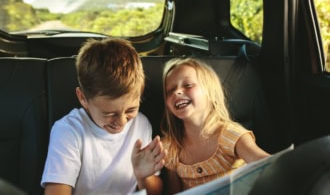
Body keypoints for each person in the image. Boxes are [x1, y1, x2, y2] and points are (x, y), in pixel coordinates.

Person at [41, 38, 166, 195]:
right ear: (83, 98)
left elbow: (156, 192)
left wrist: (143, 177)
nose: (121, 121)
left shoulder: (141, 124)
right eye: (109, 113)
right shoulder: (68, 131)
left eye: (130, 110)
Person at [160, 57, 270, 194]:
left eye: (188, 85)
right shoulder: (171, 147)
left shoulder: (230, 135)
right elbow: (175, 192)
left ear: (210, 92)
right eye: (170, 91)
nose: (177, 92)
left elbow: (265, 164)